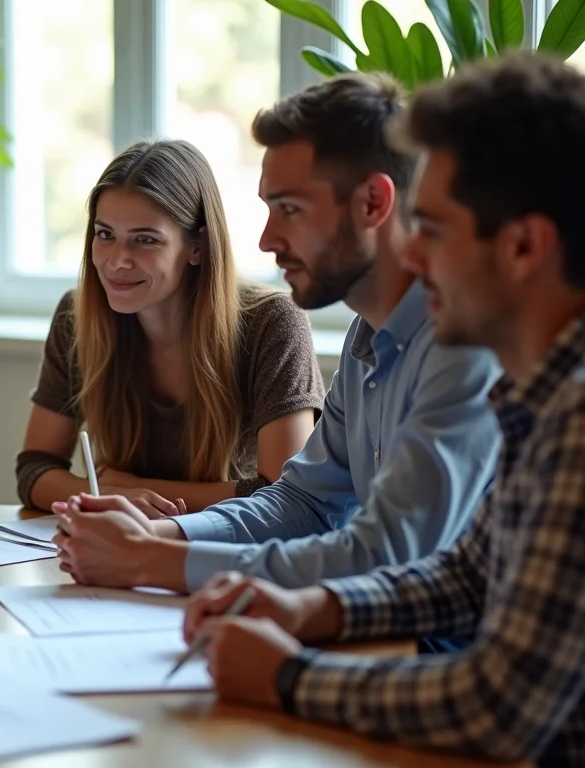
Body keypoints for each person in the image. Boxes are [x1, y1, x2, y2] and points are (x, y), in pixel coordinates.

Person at [185, 53, 585, 766]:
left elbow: (499, 707)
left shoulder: (576, 422)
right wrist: (312, 607)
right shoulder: (542, 396)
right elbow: (465, 574)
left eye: (432, 229)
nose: (414, 258)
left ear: (523, 246)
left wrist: (287, 676)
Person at [54, 72, 502, 594]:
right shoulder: (367, 340)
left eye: (289, 209)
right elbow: (303, 502)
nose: (267, 240)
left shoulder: (464, 344)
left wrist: (150, 562)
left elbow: (391, 551)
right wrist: (162, 532)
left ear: (373, 205)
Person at [17, 138, 325, 516]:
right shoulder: (78, 316)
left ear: (197, 246)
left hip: (232, 555)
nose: (116, 262)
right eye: (105, 234)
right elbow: (34, 472)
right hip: (123, 550)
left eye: (145, 240)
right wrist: (119, 496)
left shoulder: (274, 322)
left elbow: (284, 495)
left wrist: (132, 491)